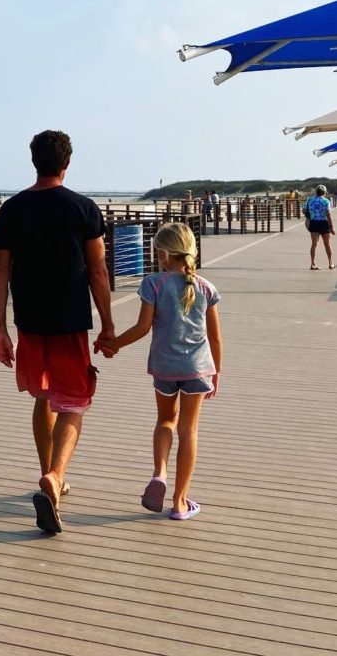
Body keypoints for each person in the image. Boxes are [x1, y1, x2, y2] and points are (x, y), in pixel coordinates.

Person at [0, 129, 113, 534]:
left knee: (43, 396)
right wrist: (108, 324)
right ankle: (56, 477)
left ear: (33, 161)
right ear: (67, 162)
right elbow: (97, 270)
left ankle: (47, 471)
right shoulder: (83, 209)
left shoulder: (12, 209)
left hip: (29, 321)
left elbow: (0, 270)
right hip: (71, 320)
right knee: (73, 402)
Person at [97, 223, 223, 521]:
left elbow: (142, 328)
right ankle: (179, 503)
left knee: (166, 420)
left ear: (164, 254)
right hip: (198, 368)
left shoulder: (153, 283)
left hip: (165, 368)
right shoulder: (206, 287)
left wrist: (113, 345)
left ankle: (160, 473)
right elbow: (215, 337)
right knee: (189, 430)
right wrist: (216, 372)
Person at [304, 184, 336, 270]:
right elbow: (328, 214)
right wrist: (332, 227)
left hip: (313, 223)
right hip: (324, 223)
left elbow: (304, 210)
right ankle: (330, 263)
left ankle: (313, 264)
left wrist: (310, 215)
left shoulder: (309, 200)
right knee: (327, 244)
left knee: (314, 244)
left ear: (316, 192)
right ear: (324, 192)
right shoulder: (326, 201)